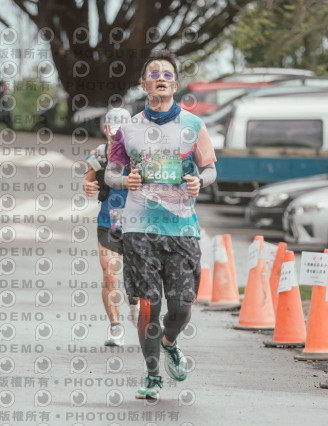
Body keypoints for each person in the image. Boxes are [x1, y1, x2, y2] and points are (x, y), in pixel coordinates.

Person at [105, 50, 217, 399]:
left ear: (176, 84)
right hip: (139, 227)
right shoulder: (128, 129)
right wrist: (125, 181)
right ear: (144, 85)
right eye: (154, 74)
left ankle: (169, 341)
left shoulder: (194, 126)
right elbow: (110, 172)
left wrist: (200, 182)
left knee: (181, 306)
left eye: (167, 74)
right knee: (148, 305)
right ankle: (152, 375)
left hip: (181, 228)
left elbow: (211, 169)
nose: (161, 78)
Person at [83, 108, 139, 346]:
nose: (117, 136)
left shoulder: (140, 154)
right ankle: (115, 327)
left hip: (138, 223)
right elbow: (88, 181)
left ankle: (134, 303)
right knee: (109, 274)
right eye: (113, 130)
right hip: (108, 222)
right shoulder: (98, 154)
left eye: (122, 131)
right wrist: (88, 187)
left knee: (137, 278)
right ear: (106, 129)